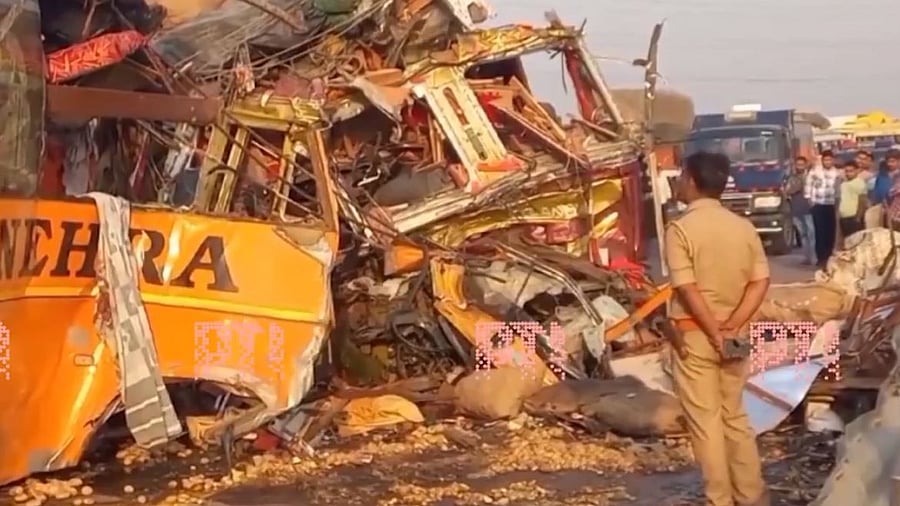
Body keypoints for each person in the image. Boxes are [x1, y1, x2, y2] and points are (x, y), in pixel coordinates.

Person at [665, 151, 770, 506]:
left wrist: (713, 332)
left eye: (681, 176)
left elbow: (686, 288)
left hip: (696, 335)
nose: (678, 182)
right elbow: (760, 282)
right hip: (738, 336)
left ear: (692, 181)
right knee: (735, 416)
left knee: (705, 422)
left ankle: (719, 500)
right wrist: (734, 325)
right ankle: (752, 497)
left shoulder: (680, 229)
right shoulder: (743, 227)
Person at [805, 150, 841, 267]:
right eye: (826, 160)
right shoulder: (815, 172)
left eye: (830, 160)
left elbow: (838, 190)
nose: (828, 162)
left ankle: (829, 257)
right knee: (820, 232)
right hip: (818, 204)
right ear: (822, 160)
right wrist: (810, 200)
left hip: (830, 204)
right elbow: (808, 185)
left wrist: (837, 203)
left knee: (830, 232)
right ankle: (821, 258)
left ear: (833, 160)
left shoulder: (837, 173)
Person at [785, 156, 815, 264]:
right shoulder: (792, 178)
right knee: (802, 234)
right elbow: (787, 191)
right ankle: (807, 257)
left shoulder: (811, 176)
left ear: (806, 165)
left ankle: (813, 257)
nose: (800, 167)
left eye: (802, 164)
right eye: (798, 165)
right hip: (796, 209)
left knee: (811, 233)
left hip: (809, 209)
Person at [866, 151, 900, 228]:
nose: (890, 164)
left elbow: (892, 192)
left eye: (892, 161)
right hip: (887, 214)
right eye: (888, 161)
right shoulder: (882, 176)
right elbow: (876, 192)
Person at [836, 160, 868, 244]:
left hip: (854, 218)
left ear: (857, 171)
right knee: (847, 242)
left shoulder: (859, 183)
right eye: (846, 171)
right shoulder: (844, 184)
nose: (848, 173)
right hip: (844, 218)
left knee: (855, 242)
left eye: (851, 171)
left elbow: (862, 201)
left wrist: (858, 217)